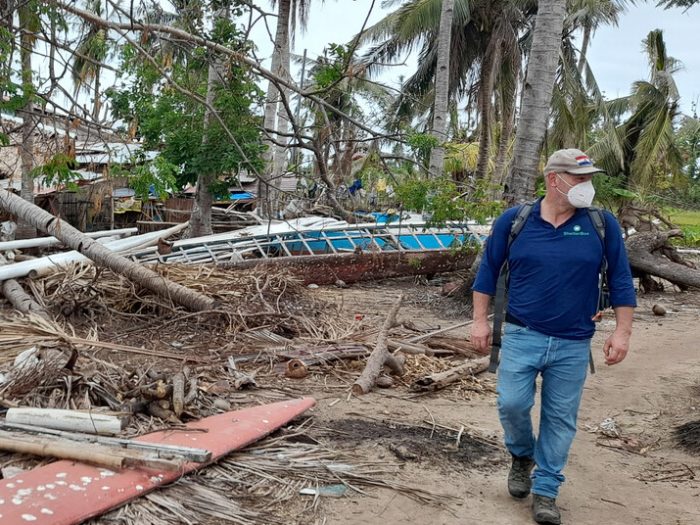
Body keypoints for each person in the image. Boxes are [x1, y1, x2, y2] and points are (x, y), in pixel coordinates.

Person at [470, 149, 637, 525]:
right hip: (521, 334)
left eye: (588, 179)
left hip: (573, 341)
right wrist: (480, 321)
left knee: (560, 419)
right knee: (512, 405)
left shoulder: (601, 224)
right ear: (553, 179)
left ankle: (546, 490)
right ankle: (521, 455)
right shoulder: (516, 221)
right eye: (579, 179)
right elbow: (487, 273)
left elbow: (621, 279)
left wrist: (622, 332)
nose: (586, 186)